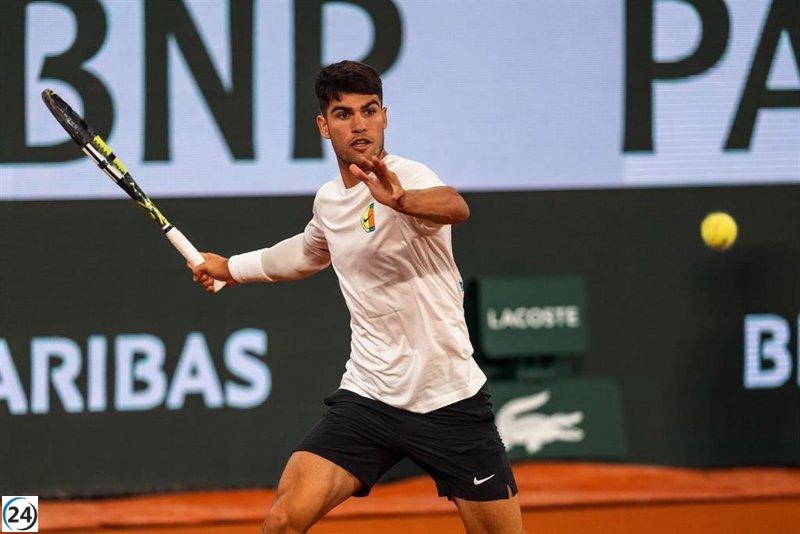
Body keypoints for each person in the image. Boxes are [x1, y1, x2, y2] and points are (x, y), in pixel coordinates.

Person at [190, 60, 524, 534]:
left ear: (384, 116)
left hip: (448, 398)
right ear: (324, 127)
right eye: (343, 114)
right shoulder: (328, 201)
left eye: (369, 111)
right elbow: (305, 253)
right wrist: (230, 268)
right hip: (370, 398)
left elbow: (455, 206)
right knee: (283, 520)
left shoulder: (408, 176)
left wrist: (401, 200)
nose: (360, 124)